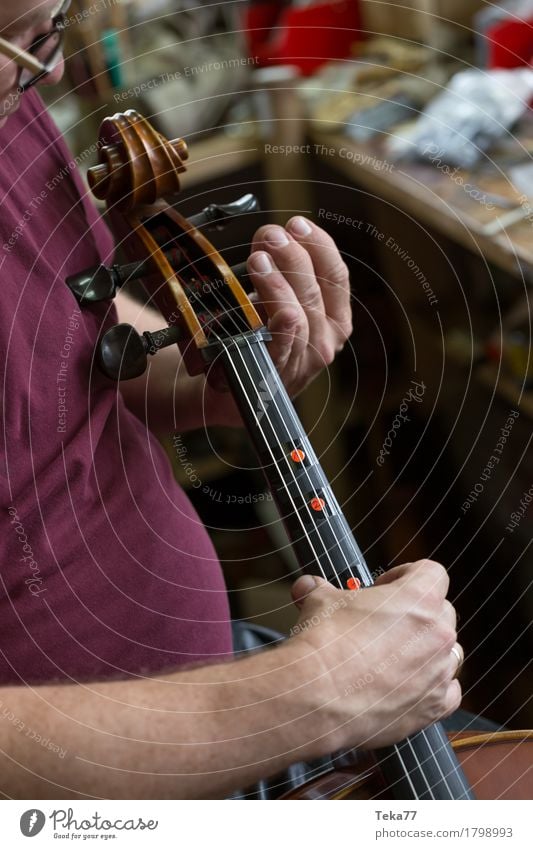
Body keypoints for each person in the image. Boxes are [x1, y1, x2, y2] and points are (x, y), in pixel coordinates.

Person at [0, 0, 463, 799]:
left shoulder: (13, 90)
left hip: (220, 692)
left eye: (53, 23)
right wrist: (312, 693)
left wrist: (223, 372)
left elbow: (63, 344)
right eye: (22, 40)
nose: (50, 68)